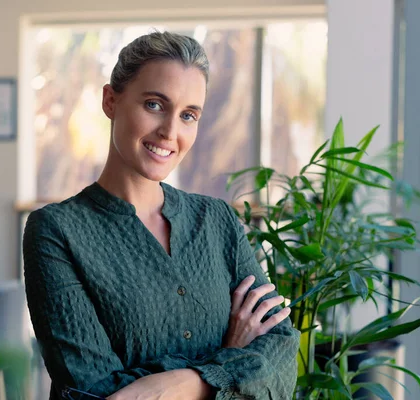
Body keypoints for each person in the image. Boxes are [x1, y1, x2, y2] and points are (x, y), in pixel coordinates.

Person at [23, 31, 300, 400]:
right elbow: (94, 391)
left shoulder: (218, 221)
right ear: (111, 100)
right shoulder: (56, 231)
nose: (170, 132)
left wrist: (181, 383)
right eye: (154, 105)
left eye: (188, 115)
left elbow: (281, 352)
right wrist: (230, 361)